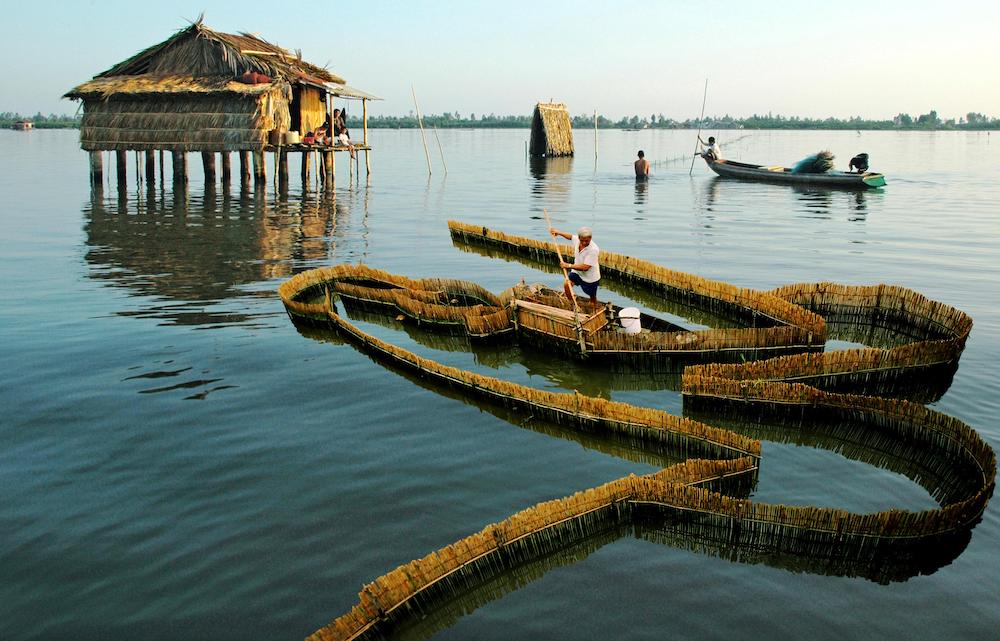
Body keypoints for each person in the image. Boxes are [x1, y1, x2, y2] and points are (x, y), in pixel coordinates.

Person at [549, 226, 601, 312]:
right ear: (579, 238)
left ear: (590, 238)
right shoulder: (578, 240)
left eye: (586, 241)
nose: (584, 243)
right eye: (582, 240)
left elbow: (585, 267)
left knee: (592, 299)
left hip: (590, 278)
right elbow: (571, 237)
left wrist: (568, 265)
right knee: (567, 285)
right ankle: (572, 304)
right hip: (577, 272)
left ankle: (594, 309)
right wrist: (558, 232)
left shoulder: (593, 250)